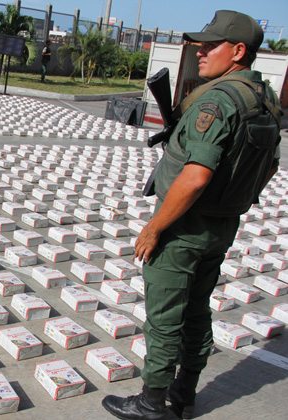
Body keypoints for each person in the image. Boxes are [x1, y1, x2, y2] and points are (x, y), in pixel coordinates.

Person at [102, 10, 282, 420]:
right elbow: (267, 166)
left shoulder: (219, 100)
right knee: (198, 310)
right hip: (221, 227)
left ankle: (152, 405)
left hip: (184, 228)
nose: (200, 52)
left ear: (238, 51)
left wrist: (154, 227)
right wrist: (235, 197)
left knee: (165, 318)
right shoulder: (264, 98)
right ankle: (184, 395)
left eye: (210, 46)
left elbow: (196, 177)